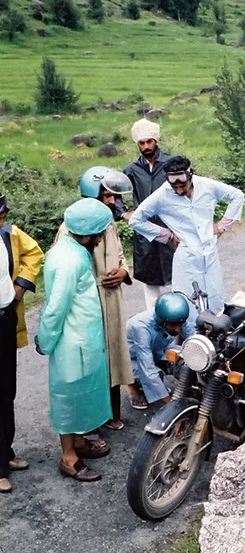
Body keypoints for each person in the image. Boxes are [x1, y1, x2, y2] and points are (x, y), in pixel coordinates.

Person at [36, 198, 114, 483]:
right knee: (68, 398)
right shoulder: (68, 260)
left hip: (83, 339)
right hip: (70, 343)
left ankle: (79, 442)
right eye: (99, 234)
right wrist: (45, 341)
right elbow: (55, 308)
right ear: (87, 233)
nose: (101, 239)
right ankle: (68, 458)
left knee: (82, 394)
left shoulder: (75, 250)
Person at [57, 167, 135, 434]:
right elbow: (66, 267)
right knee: (91, 361)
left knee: (113, 356)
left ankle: (111, 413)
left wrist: (123, 272)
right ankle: (88, 426)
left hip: (112, 301)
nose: (112, 201)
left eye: (114, 196)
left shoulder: (108, 222)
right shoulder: (71, 227)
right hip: (88, 303)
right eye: (107, 196)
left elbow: (121, 255)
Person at [129, 155, 244, 317]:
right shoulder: (162, 195)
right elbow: (136, 220)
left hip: (210, 252)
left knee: (216, 299)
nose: (179, 191)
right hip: (186, 256)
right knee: (187, 305)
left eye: (182, 185)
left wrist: (221, 226)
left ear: (190, 176)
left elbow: (237, 195)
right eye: (174, 187)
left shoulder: (206, 185)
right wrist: (167, 235)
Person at [0, 194, 44, 492]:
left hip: (5, 319)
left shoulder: (9, 234)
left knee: (7, 391)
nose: (3, 222)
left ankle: (6, 453)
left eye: (3, 216)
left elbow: (34, 252)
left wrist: (20, 288)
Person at [123, 118, 175, 310]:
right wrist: (124, 213)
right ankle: (153, 318)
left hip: (172, 226)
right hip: (145, 230)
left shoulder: (171, 164)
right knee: (150, 278)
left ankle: (178, 316)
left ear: (156, 141)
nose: (146, 146)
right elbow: (114, 192)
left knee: (177, 273)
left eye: (149, 141)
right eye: (142, 143)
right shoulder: (132, 169)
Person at [126, 291, 194, 407]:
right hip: (133, 359)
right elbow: (147, 368)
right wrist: (170, 403)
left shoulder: (178, 318)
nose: (178, 330)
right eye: (173, 325)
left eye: (180, 324)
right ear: (162, 321)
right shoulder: (140, 328)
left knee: (185, 359)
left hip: (157, 351)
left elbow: (193, 339)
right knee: (155, 374)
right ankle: (130, 384)